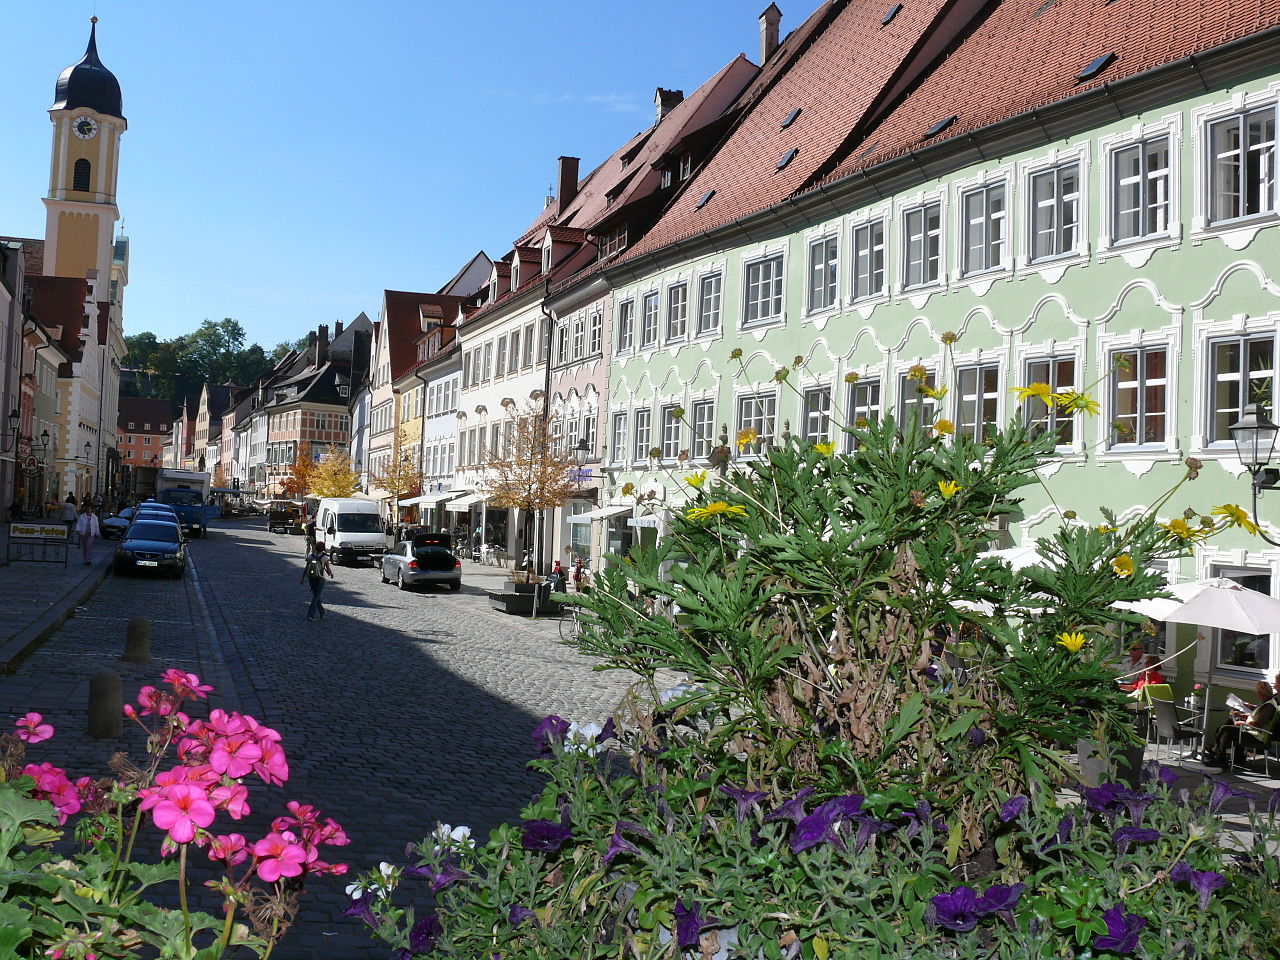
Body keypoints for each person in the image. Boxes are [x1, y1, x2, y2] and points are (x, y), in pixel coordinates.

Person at [1204, 681, 1277, 767]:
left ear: (1261, 693)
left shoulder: (1269, 706)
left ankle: (1219, 757)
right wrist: (1240, 716)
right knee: (1229, 723)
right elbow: (1255, 715)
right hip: (1252, 731)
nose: (1256, 694)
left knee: (1225, 729)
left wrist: (1242, 722)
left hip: (1256, 736)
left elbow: (1257, 724)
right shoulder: (1266, 702)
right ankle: (1218, 751)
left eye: (1257, 692)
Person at [300, 543, 335, 621]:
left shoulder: (311, 556)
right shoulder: (325, 558)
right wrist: (331, 574)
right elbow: (328, 569)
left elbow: (306, 568)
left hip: (311, 578)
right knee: (316, 596)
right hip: (320, 578)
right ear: (323, 549)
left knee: (316, 596)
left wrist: (302, 578)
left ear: (315, 548)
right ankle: (310, 614)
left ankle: (322, 612)